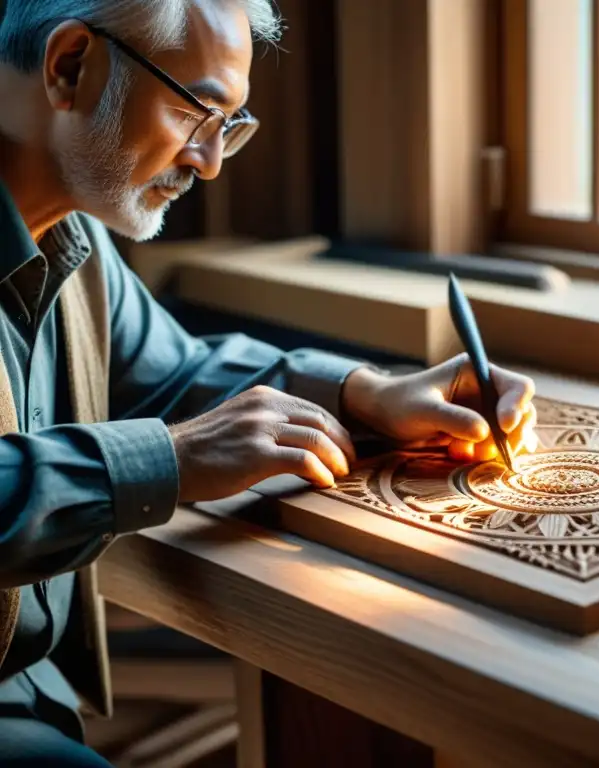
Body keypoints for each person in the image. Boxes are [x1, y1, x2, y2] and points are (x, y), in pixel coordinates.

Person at [0, 0, 538, 763]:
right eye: (198, 111)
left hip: (36, 688)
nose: (210, 160)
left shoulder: (72, 233)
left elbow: (172, 371)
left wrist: (368, 394)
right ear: (69, 66)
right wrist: (173, 459)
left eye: (230, 126)